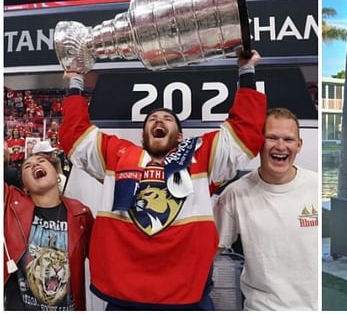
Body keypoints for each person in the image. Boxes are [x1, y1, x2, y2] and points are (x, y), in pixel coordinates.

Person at [59, 49, 266, 310]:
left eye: (167, 119)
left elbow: (245, 133)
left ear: (180, 136)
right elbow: (76, 137)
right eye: (152, 120)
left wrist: (246, 70)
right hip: (125, 295)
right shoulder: (117, 155)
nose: (159, 121)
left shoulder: (200, 156)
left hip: (186, 295)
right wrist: (76, 80)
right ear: (144, 137)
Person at [214, 107, 318, 310]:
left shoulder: (316, 185)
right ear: (259, 143)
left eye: (288, 139)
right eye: (271, 138)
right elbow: (206, 252)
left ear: (299, 145)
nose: (280, 146)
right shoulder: (235, 194)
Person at [4, 152, 94, 310]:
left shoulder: (81, 214)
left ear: (58, 175)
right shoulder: (10, 205)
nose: (35, 165)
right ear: (24, 186)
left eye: (41, 161)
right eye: (28, 166)